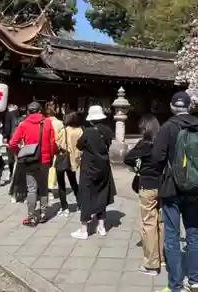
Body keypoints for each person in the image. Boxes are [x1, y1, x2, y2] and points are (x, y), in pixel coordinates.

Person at [152, 91, 198, 292]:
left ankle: (175, 284)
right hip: (193, 188)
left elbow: (157, 158)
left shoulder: (168, 127)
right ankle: (196, 281)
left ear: (171, 106)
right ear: (189, 106)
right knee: (193, 231)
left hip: (172, 187)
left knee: (172, 235)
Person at [124, 114, 166, 276]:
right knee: (161, 222)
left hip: (147, 186)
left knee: (148, 223)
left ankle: (151, 263)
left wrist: (138, 165)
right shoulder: (163, 143)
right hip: (163, 186)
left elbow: (127, 158)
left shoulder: (144, 144)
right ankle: (162, 257)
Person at [71, 105, 116, 240]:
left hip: (89, 167)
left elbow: (79, 145)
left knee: (86, 196)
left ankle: (84, 229)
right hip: (104, 167)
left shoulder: (88, 131)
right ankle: (101, 226)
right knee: (101, 194)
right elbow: (108, 143)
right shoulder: (107, 130)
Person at [9, 101, 57, 226]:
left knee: (31, 189)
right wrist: (51, 156)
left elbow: (13, 143)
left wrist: (19, 152)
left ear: (28, 111)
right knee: (43, 188)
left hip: (30, 159)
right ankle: (43, 214)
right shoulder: (47, 123)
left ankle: (31, 216)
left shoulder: (23, 124)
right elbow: (52, 143)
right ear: (40, 110)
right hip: (45, 160)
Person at [55, 110, 84, 217]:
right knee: (74, 183)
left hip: (63, 159)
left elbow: (58, 144)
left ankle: (64, 208)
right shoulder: (81, 131)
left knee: (61, 184)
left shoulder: (65, 130)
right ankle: (80, 204)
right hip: (74, 160)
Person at [4, 104, 25, 185]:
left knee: (11, 157)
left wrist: (5, 136)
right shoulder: (23, 114)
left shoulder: (9, 114)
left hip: (12, 137)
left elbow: (7, 127)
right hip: (22, 138)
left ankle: (12, 173)